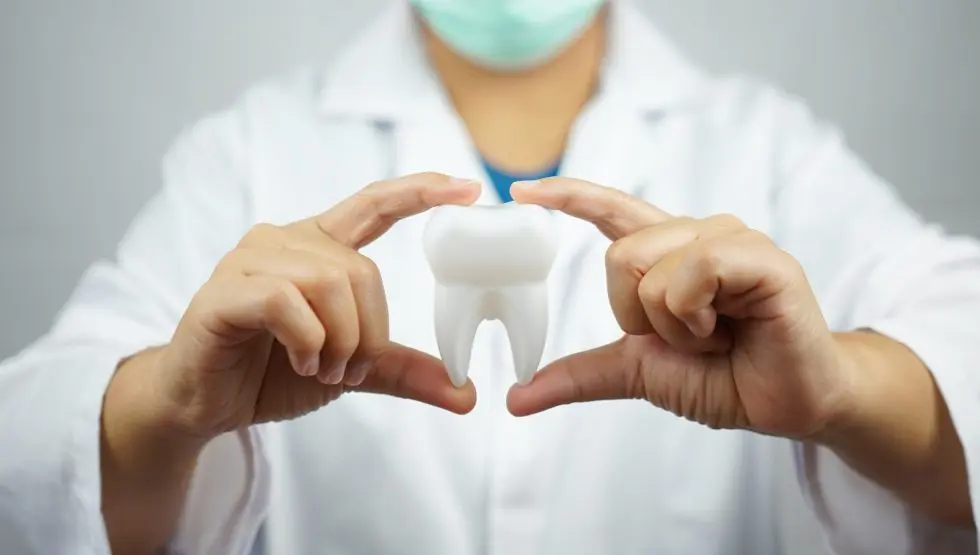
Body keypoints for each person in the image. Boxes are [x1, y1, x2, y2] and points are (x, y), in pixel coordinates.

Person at [0, 0, 977, 553]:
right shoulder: (250, 151)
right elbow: (30, 452)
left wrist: (843, 390)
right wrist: (163, 410)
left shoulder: (764, 147)